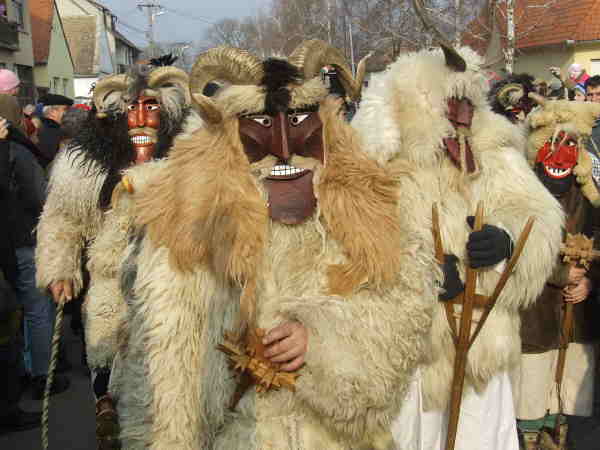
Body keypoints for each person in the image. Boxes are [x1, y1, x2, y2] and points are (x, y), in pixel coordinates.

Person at [111, 41, 436, 449]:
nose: (284, 146)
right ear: (230, 129)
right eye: (260, 122)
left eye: (300, 118)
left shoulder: (366, 203)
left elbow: (405, 306)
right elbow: (158, 352)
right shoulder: (186, 219)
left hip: (332, 438)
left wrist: (321, 338)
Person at [351, 16, 564, 450]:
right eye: (453, 103)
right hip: (413, 356)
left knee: (483, 439)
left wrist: (507, 242)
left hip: (484, 346)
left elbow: (540, 221)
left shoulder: (497, 152)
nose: (463, 115)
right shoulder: (384, 163)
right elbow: (358, 242)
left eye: (470, 102)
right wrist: (419, 273)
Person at [36, 61, 197, 450]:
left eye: (152, 108)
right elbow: (62, 217)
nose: (140, 119)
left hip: (176, 284)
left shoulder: (191, 156)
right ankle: (109, 414)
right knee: (108, 357)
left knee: (173, 371)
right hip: (111, 285)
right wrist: (60, 266)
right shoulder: (86, 165)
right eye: (131, 109)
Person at [515, 96, 600, 450]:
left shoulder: (590, 199)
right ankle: (532, 436)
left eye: (571, 145)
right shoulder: (522, 196)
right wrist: (561, 275)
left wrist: (590, 281)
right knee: (533, 386)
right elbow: (518, 249)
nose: (562, 154)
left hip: (578, 317)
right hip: (535, 315)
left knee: (569, 387)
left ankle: (560, 433)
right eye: (554, 144)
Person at [0, 118, 42, 435]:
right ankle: (12, 402)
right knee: (19, 316)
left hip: (10, 244)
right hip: (17, 242)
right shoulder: (12, 151)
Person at [37, 93, 73, 164]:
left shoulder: (45, 127)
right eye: (65, 109)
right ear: (52, 112)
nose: (69, 112)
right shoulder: (51, 131)